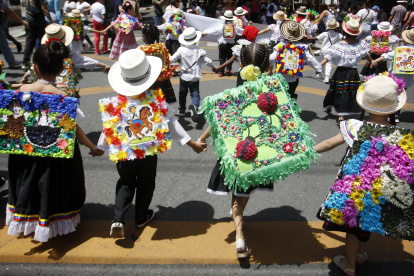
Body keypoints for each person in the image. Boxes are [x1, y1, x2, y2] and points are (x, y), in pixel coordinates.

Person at [94, 49, 206, 238]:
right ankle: (140, 216)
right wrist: (192, 144)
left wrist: (99, 148)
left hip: (124, 152)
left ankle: (118, 218)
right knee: (146, 184)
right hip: (147, 152)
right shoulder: (155, 100)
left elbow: (109, 129)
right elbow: (173, 125)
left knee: (125, 183)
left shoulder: (116, 103)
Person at [6, 39, 102, 243]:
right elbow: (72, 128)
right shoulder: (63, 96)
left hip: (26, 150)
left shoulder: (23, 90)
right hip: (56, 152)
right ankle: (53, 220)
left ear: (35, 67)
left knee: (29, 181)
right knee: (54, 184)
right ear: (61, 70)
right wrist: (92, 146)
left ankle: (30, 218)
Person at [314, 74, 408, 276]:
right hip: (379, 190)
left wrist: (310, 152)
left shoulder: (356, 126)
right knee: (366, 222)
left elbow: (330, 143)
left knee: (352, 229)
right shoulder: (399, 134)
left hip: (354, 189)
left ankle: (349, 266)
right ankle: (358, 254)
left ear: (365, 104)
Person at [198, 42, 272, 259]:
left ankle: (239, 236)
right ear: (266, 64)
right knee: (244, 191)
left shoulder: (234, 92)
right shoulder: (272, 89)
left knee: (238, 192)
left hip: (235, 147)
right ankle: (239, 225)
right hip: (260, 147)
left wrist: (201, 139)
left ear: (241, 64)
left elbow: (218, 120)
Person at [321, 17, 372, 125]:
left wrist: (319, 66)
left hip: (340, 72)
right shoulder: (360, 44)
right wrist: (372, 61)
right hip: (352, 72)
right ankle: (340, 112)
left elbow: (328, 57)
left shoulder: (338, 45)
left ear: (344, 31)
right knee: (348, 92)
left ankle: (338, 112)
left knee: (336, 89)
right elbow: (366, 55)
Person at [269, 21, 322, 100]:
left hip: (281, 76)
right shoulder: (301, 47)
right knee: (291, 93)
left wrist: (265, 66)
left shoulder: (280, 46)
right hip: (294, 77)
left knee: (280, 94)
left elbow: (272, 58)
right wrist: (318, 69)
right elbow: (310, 59)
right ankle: (291, 108)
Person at [371, 28, 414, 124]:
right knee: (401, 95)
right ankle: (396, 114)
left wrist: (375, 61)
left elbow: (387, 56)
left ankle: (390, 113)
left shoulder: (400, 49)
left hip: (395, 77)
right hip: (408, 79)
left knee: (393, 95)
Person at [171, 27, 215, 120]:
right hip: (195, 77)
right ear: (195, 40)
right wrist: (213, 67)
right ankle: (194, 106)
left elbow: (172, 59)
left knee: (182, 93)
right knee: (195, 94)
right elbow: (207, 61)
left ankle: (181, 110)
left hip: (184, 76)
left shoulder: (181, 50)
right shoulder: (199, 51)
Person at [139, 24, 177, 105]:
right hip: (162, 80)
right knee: (162, 103)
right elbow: (168, 61)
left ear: (143, 36)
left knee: (149, 103)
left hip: (147, 80)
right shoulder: (162, 48)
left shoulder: (140, 50)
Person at [203, 10, 244, 77]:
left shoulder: (221, 26)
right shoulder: (235, 26)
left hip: (222, 44)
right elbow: (241, 31)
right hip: (231, 44)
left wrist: (206, 33)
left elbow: (214, 30)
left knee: (222, 57)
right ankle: (228, 69)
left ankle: (221, 71)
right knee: (230, 57)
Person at [21, 0, 53, 70]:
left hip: (30, 20)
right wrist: (51, 21)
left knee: (30, 42)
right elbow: (44, 8)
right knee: (43, 41)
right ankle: (42, 61)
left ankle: (25, 63)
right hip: (39, 21)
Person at [313, 18, 343, 84]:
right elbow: (343, 38)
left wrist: (307, 38)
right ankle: (327, 78)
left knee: (322, 62)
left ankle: (320, 74)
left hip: (324, 50)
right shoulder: (338, 35)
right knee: (329, 64)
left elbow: (316, 38)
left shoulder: (325, 34)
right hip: (331, 51)